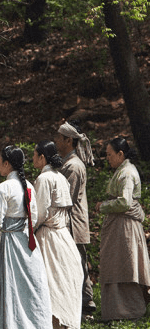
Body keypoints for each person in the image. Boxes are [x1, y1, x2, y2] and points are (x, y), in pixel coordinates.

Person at [0, 145, 54, 329]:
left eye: (0, 160)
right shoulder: (28, 185)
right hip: (25, 241)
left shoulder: (3, 188)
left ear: (7, 163)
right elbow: (34, 218)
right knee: (27, 288)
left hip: (6, 243)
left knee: (1, 287)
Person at [32, 140, 83, 329]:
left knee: (51, 280)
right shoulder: (61, 177)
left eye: (35, 155)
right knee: (64, 278)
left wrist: (29, 230)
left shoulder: (44, 179)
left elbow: (40, 212)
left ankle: (56, 328)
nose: (33, 159)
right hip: (63, 235)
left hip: (49, 236)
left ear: (42, 157)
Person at [95, 137, 150, 321]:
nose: (108, 158)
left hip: (124, 226)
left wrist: (104, 206)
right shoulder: (122, 170)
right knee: (117, 264)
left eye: (110, 155)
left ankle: (130, 310)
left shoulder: (126, 173)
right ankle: (117, 310)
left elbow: (125, 202)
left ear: (120, 154)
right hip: (119, 225)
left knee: (125, 265)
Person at [54, 120, 96, 314]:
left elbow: (67, 198)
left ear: (68, 140)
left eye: (58, 137)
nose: (55, 141)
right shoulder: (68, 163)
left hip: (74, 223)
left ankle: (86, 303)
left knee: (78, 263)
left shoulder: (74, 166)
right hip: (70, 222)